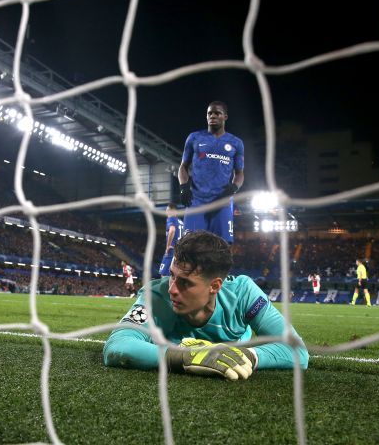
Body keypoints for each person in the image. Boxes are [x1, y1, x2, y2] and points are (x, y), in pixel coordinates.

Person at [103, 231, 308, 380]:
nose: (172, 289)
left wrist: (248, 356)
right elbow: (117, 345)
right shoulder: (156, 296)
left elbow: (298, 351)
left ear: (214, 286)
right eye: (172, 276)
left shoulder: (244, 294)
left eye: (185, 282)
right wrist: (184, 357)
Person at [178, 101, 244, 244]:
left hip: (222, 201)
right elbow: (183, 167)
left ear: (225, 116)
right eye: (209, 113)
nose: (212, 116)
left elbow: (239, 173)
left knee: (222, 246)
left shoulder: (236, 143)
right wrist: (184, 188)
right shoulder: (194, 138)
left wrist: (233, 188)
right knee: (189, 244)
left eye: (217, 113)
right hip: (196, 200)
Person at [157, 202, 184, 277]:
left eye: (167, 210)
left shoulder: (171, 219)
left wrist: (168, 246)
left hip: (171, 250)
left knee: (163, 274)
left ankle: (166, 289)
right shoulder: (181, 222)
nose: (166, 212)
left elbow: (172, 230)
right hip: (180, 252)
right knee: (174, 275)